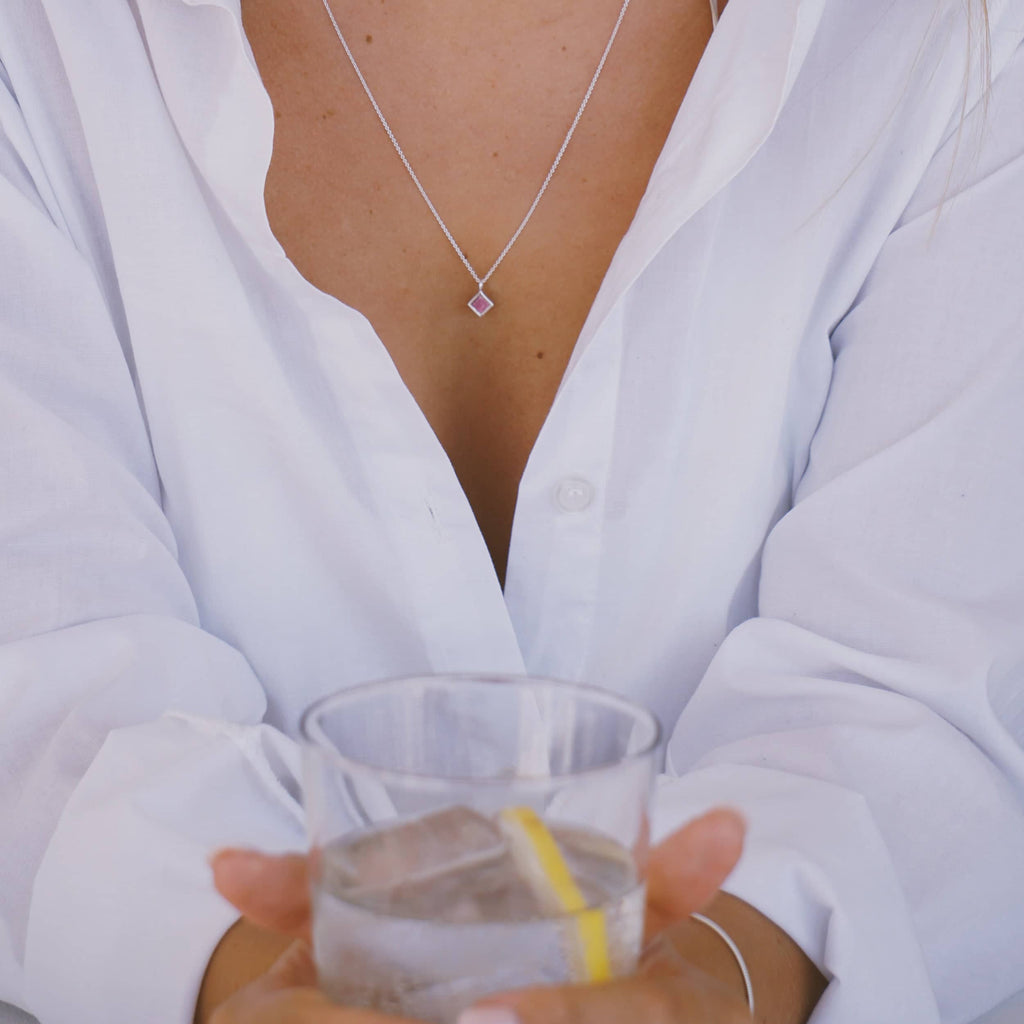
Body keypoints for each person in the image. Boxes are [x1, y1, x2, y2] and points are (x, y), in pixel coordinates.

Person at [1, 0, 1022, 1020]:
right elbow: (38, 693)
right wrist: (261, 980)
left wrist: (720, 977)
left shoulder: (946, 38)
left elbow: (931, 705)